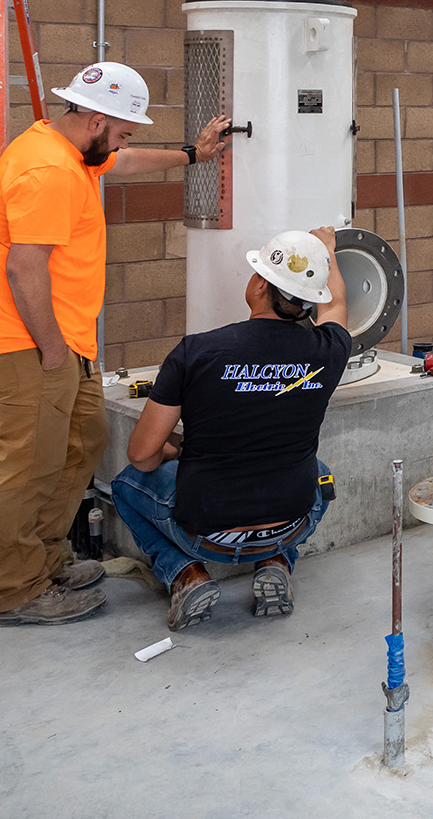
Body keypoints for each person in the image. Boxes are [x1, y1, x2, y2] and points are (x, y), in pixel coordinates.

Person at [0, 62, 230, 626]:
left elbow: (127, 160)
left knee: (79, 445)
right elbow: (24, 268)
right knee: (29, 465)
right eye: (121, 132)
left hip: (65, 341)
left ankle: (45, 561)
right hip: (32, 344)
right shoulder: (48, 172)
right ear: (95, 120)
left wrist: (194, 155)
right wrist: (53, 350)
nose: (124, 144)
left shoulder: (74, 153)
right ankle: (17, 590)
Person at [111, 229, 349, 631]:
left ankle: (185, 574)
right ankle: (276, 559)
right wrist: (328, 254)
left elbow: (141, 454)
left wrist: (170, 453)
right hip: (290, 523)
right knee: (319, 473)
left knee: (125, 484)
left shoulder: (197, 352)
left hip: (204, 533)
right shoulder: (328, 351)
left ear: (259, 284)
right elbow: (339, 302)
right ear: (311, 301)